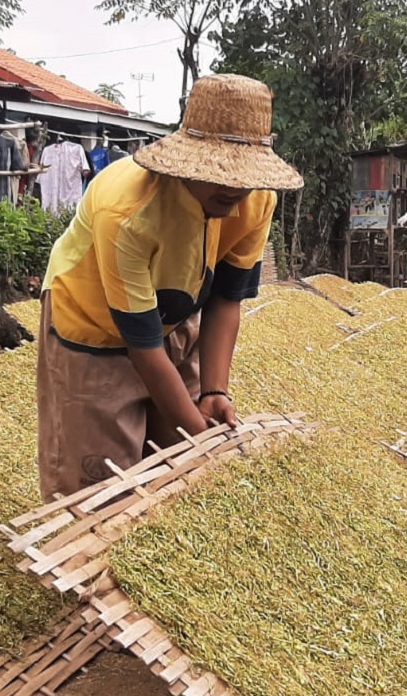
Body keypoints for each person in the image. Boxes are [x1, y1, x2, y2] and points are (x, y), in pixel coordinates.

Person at [36, 74, 303, 501]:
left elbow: (225, 300)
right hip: (94, 326)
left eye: (244, 177)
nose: (233, 188)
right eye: (220, 173)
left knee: (179, 469)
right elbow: (141, 346)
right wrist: (200, 439)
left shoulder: (256, 201)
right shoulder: (129, 211)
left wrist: (215, 391)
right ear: (188, 164)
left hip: (173, 314)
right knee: (101, 481)